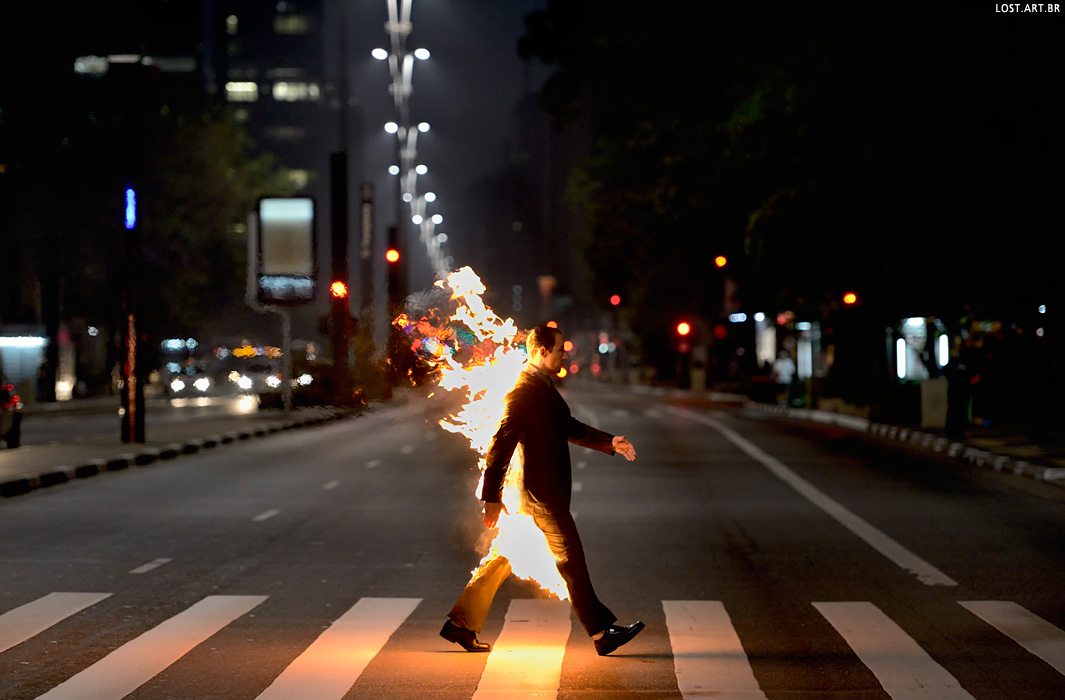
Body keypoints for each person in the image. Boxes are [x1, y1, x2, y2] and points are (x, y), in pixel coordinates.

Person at [440, 324, 644, 656]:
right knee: (570, 560)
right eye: (560, 349)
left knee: (505, 554)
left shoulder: (541, 386)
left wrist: (610, 442)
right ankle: (601, 633)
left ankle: (461, 624)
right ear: (542, 351)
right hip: (541, 495)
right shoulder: (525, 390)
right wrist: (490, 497)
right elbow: (501, 442)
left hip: (535, 492)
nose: (565, 354)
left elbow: (566, 426)